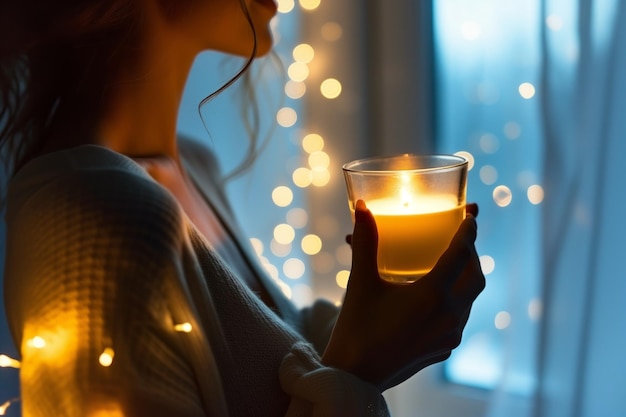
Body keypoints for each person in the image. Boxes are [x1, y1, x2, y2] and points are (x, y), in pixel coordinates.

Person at [0, 0, 485, 415]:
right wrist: (360, 371)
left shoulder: (193, 167)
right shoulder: (89, 219)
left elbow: (276, 363)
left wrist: (378, 323)